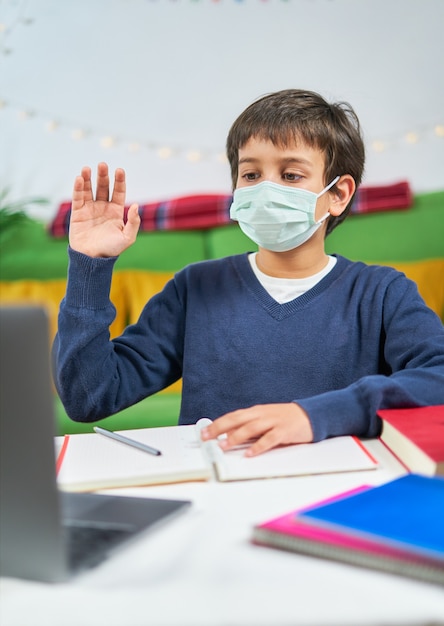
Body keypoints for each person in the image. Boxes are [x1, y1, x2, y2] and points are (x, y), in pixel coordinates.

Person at [53, 89, 444, 457]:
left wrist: (315, 415)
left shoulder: (382, 293)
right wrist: (89, 266)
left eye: (291, 175)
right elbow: (89, 397)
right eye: (251, 175)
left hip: (338, 493)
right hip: (216, 492)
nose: (265, 189)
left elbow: (437, 377)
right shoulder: (195, 289)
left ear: (338, 194)